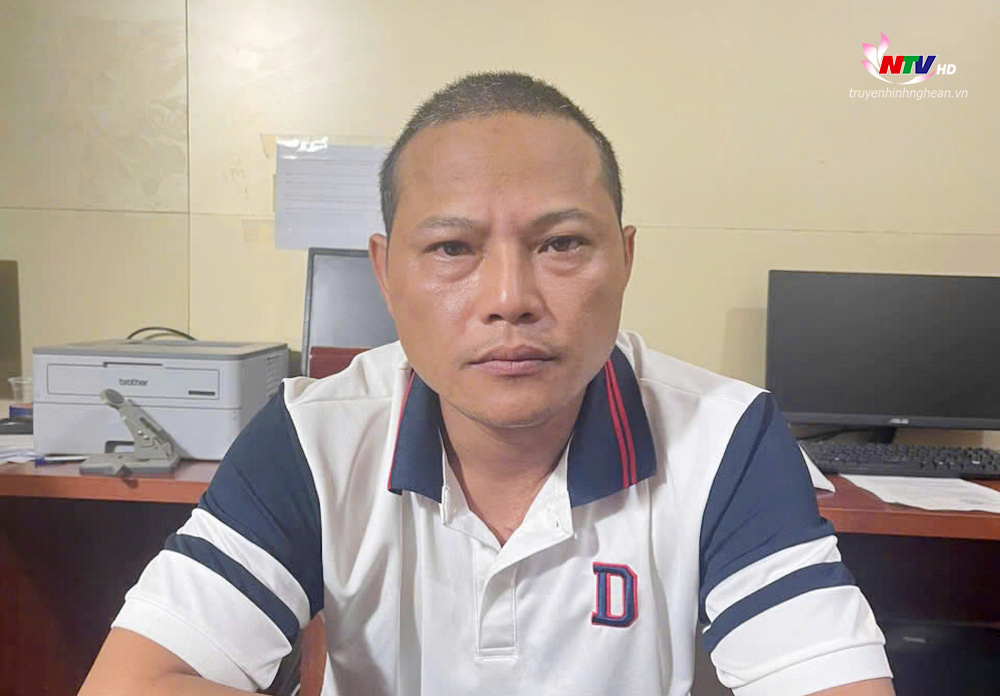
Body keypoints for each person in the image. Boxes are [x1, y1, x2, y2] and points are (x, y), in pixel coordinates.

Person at [79, 72, 895, 696]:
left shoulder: (726, 439)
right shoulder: (314, 435)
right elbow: (138, 680)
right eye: (451, 249)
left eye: (562, 243)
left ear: (625, 259)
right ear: (385, 273)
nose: (509, 298)